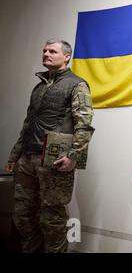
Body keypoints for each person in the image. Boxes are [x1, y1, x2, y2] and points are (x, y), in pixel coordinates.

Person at [4, 39, 95, 253]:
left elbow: (84, 123)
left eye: (52, 51)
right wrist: (14, 155)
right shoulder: (39, 87)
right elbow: (28, 123)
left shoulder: (77, 84)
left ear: (66, 56)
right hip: (27, 159)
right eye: (44, 50)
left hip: (53, 160)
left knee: (52, 220)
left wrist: (73, 155)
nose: (46, 53)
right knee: (23, 216)